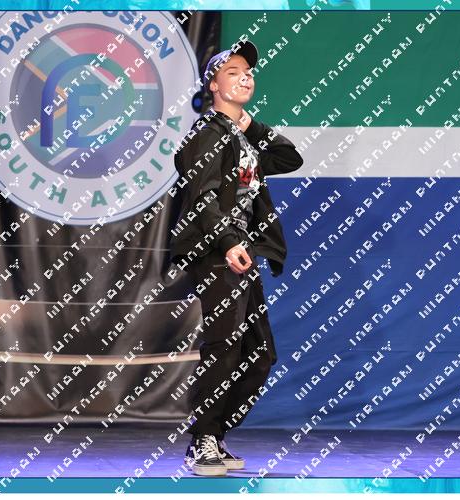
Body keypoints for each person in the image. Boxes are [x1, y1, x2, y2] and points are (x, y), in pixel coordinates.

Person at [169, 40, 304, 476]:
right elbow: (202, 198)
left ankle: (214, 433)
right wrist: (228, 242)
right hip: (217, 253)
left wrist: (247, 123)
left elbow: (289, 157)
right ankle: (202, 441)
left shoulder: (239, 136)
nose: (245, 77)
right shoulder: (206, 135)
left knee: (260, 354)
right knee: (224, 346)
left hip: (241, 253)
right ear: (212, 85)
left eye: (248, 71)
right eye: (232, 72)